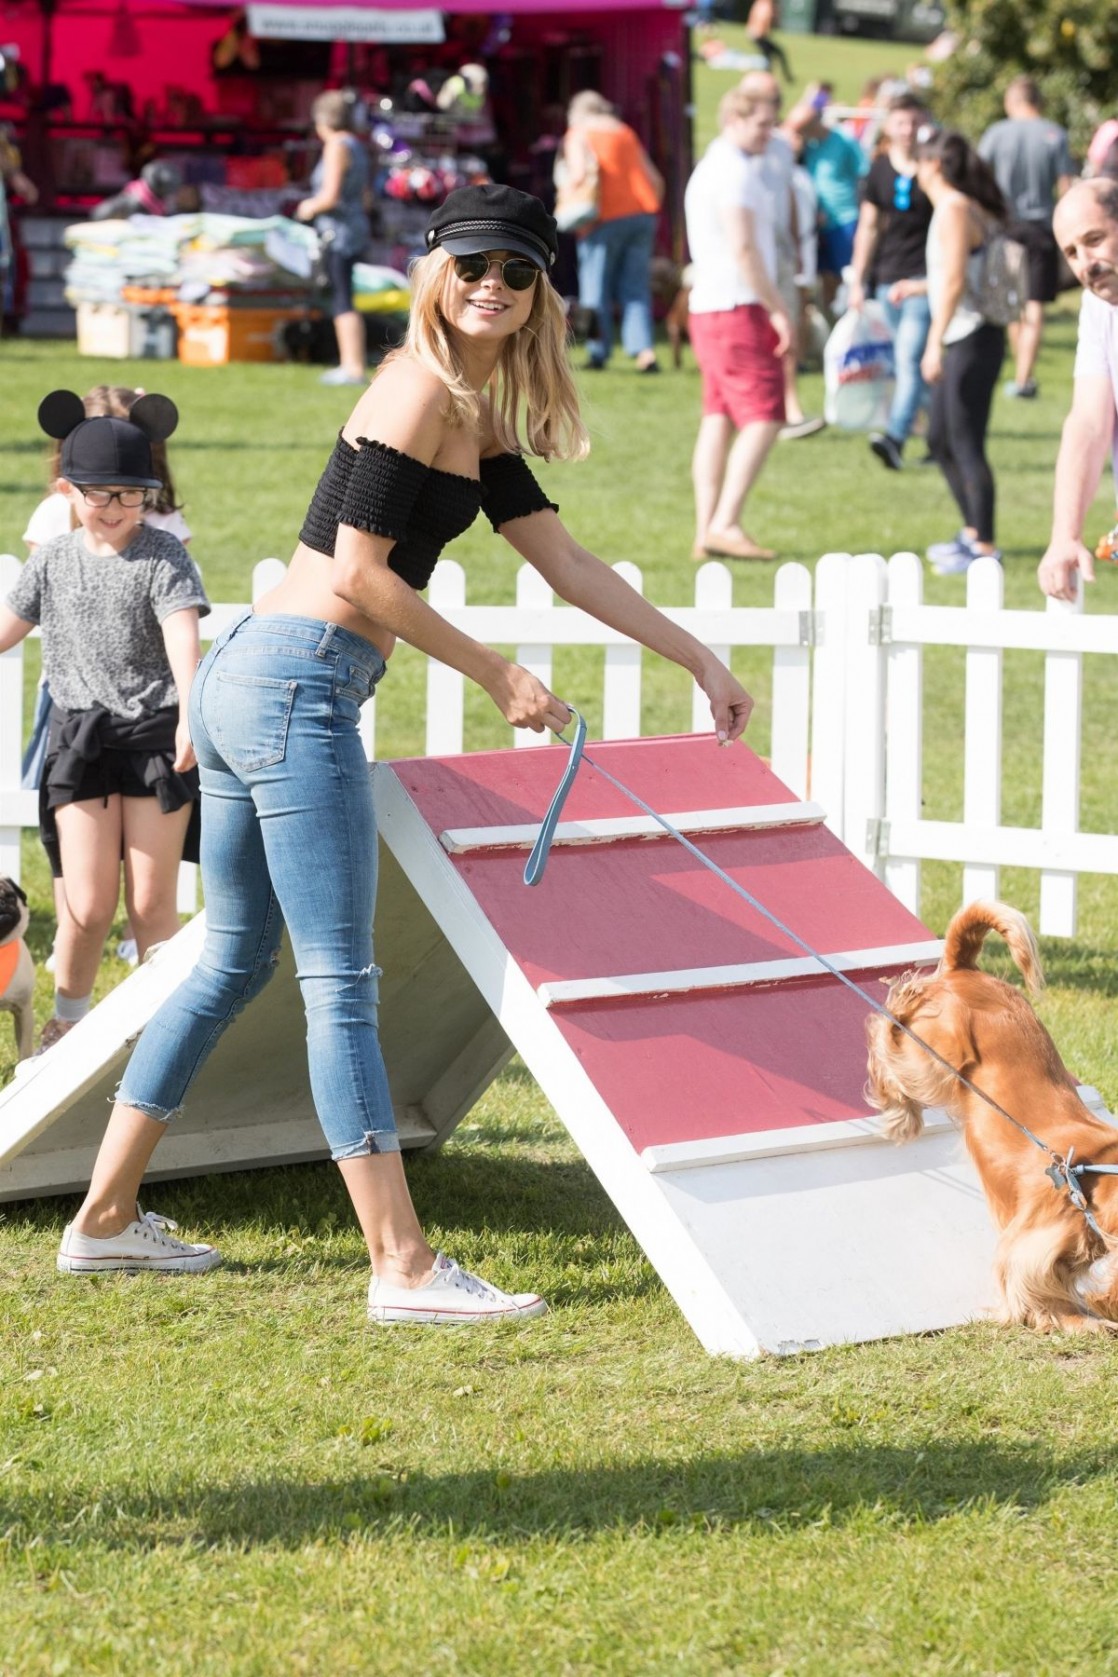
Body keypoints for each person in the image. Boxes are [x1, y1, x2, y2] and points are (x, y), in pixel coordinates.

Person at [45, 184, 755, 1323]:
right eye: (471, 263)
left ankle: (105, 1221)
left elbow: (567, 566)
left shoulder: (472, 414)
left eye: (515, 273)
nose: (491, 285)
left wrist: (698, 660)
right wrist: (496, 674)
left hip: (254, 677)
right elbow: (358, 573)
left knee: (233, 960)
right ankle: (402, 1265)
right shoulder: (416, 385)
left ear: (538, 297)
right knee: (338, 981)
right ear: (433, 269)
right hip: (294, 684)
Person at [0, 394, 207, 1052]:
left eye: (130, 494)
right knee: (86, 907)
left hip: (153, 740)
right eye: (100, 495)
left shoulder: (164, 557)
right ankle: (69, 1022)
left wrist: (189, 713)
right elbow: (7, 631)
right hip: (79, 742)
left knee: (151, 906)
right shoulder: (52, 559)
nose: (115, 508)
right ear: (69, 489)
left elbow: (182, 636)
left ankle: (163, 1034)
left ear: (149, 493)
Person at [685, 88, 791, 563]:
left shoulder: (712, 166)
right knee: (766, 415)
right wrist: (777, 308)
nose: (769, 134)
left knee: (720, 417)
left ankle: (707, 529)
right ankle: (725, 522)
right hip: (737, 304)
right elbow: (745, 249)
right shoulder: (735, 172)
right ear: (733, 117)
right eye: (762, 125)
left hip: (709, 304)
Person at [916, 128, 1008, 574]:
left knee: (965, 441)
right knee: (940, 438)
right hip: (966, 334)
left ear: (933, 165)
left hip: (968, 337)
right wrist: (916, 286)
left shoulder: (953, 208)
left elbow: (954, 281)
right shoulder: (959, 207)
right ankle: (972, 533)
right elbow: (958, 273)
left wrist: (933, 340)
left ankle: (985, 546)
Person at [1037, 179, 1118, 601]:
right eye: (1072, 252)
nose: (1086, 262)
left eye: (1095, 240)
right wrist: (1065, 535)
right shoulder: (1098, 308)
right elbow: (1089, 420)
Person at [847, 93, 934, 471]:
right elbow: (868, 227)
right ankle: (943, 436)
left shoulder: (935, 168)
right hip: (887, 278)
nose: (908, 130)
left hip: (924, 279)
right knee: (912, 364)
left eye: (915, 122)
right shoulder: (879, 170)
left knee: (910, 359)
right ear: (888, 126)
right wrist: (858, 279)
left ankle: (895, 436)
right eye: (901, 122)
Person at [739, 69, 824, 441]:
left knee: (786, 326)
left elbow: (786, 195)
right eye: (766, 97)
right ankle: (754, 409)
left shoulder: (780, 146)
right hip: (747, 255)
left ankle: (789, 407)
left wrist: (795, 242)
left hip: (781, 251)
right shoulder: (732, 150)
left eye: (776, 99)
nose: (774, 105)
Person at [978, 76, 1075, 400]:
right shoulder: (1055, 134)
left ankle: (1022, 374)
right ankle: (1024, 378)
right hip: (1041, 231)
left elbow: (979, 177)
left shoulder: (996, 133)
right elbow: (1066, 188)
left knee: (1012, 302)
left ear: (1013, 101)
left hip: (1005, 229)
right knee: (1035, 305)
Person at [559, 91, 664, 373]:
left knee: (595, 288)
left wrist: (562, 199)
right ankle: (645, 353)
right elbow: (654, 177)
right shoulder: (625, 132)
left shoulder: (579, 133)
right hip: (642, 214)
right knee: (636, 288)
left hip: (602, 219)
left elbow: (579, 175)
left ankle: (597, 352)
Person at [295, 90, 371, 387]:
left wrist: (307, 206)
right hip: (354, 227)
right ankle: (351, 363)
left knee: (342, 296)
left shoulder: (336, 146)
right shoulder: (357, 145)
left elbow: (330, 195)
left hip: (338, 232)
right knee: (343, 293)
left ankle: (351, 366)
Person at [783, 95, 867, 312]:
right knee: (825, 275)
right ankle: (832, 314)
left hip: (845, 218)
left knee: (848, 272)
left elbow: (864, 173)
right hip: (817, 223)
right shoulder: (808, 147)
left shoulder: (843, 141)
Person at [745, 0, 793, 87]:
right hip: (759, 36)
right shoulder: (766, 5)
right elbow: (765, 18)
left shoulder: (759, 3)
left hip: (754, 34)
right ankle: (770, 79)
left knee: (770, 56)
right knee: (773, 56)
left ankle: (773, 78)